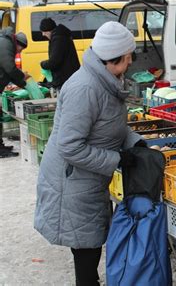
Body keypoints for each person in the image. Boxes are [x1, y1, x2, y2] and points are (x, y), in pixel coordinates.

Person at [34, 21, 146, 285]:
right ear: (115, 57)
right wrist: (117, 159)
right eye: (129, 56)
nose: (131, 61)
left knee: (89, 246)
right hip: (71, 181)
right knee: (86, 248)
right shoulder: (85, 89)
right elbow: (70, 146)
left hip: (86, 180)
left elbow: (109, 126)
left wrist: (135, 143)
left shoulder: (106, 80)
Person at [0, 28, 30, 158]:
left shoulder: (6, 44)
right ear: (17, 43)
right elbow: (10, 69)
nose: (20, 52)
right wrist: (22, 76)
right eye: (21, 49)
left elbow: (9, 73)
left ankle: (0, 146)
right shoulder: (5, 45)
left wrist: (24, 85)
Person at [39, 18, 80, 90]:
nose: (43, 34)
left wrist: (42, 64)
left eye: (44, 31)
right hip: (68, 78)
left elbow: (54, 61)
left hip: (65, 80)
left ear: (48, 30)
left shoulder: (58, 39)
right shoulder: (61, 36)